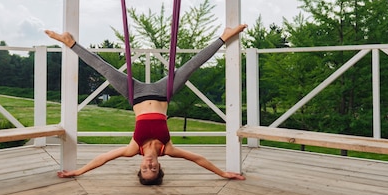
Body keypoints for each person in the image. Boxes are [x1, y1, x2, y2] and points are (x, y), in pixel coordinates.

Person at [44, 24, 247, 185]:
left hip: (135, 94)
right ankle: (224, 36)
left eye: (144, 169)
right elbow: (198, 159)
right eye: (154, 169)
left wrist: (78, 171)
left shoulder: (134, 148)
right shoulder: (168, 149)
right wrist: (222, 173)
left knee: (104, 68)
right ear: (160, 167)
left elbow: (104, 158)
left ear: (139, 166)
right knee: (190, 66)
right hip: (163, 93)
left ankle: (70, 43)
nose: (149, 165)